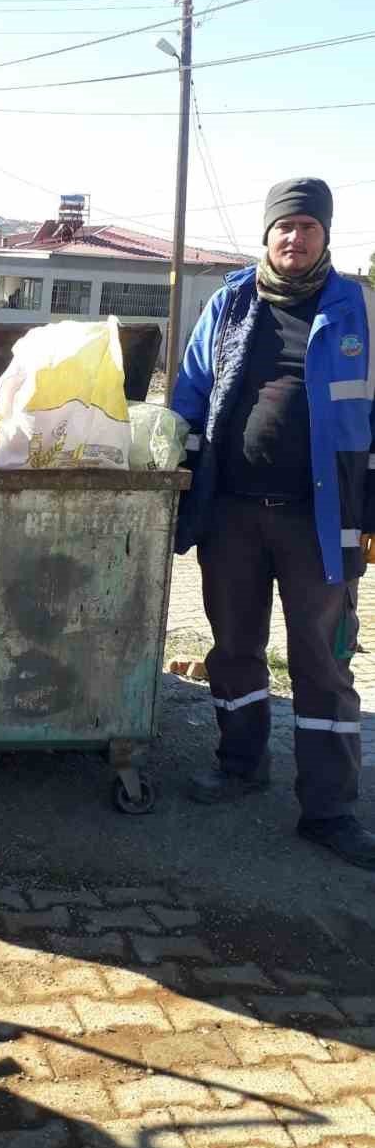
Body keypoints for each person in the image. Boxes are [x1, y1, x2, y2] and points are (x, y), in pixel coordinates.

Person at [172, 176, 375, 869]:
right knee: (233, 647)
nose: (294, 237)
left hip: (318, 519)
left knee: (321, 661)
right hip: (230, 513)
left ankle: (329, 808)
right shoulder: (231, 302)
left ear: (325, 235)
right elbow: (190, 394)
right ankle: (239, 765)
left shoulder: (356, 308)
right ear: (266, 234)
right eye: (283, 226)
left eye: (308, 227)